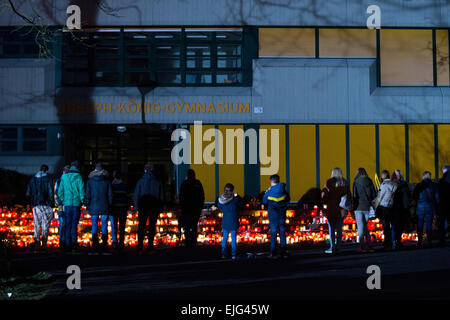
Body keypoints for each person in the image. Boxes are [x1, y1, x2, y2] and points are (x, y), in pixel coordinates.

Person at [134, 163, 164, 254]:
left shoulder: (140, 181)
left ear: (145, 170)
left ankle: (140, 246)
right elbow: (161, 196)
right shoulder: (157, 182)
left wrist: (136, 207)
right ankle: (150, 246)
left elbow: (136, 195)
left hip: (143, 204)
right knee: (152, 227)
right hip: (154, 205)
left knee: (141, 226)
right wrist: (160, 207)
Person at [321, 168, 351, 254]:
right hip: (342, 210)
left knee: (331, 228)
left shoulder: (329, 182)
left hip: (331, 209)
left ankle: (332, 246)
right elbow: (349, 196)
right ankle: (338, 246)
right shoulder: (345, 182)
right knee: (339, 228)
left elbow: (324, 196)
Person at [57, 161, 85, 253]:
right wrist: (82, 201)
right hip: (76, 205)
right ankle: (74, 245)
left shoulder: (64, 177)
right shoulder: (79, 177)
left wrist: (64, 199)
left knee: (67, 225)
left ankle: (67, 245)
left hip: (67, 204)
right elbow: (81, 191)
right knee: (74, 225)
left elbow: (60, 191)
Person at [86, 163, 113, 254]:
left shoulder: (90, 181)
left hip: (93, 206)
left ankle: (95, 246)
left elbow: (88, 195)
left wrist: (87, 205)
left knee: (94, 226)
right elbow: (110, 195)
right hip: (104, 206)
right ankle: (104, 246)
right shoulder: (107, 181)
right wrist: (109, 205)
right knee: (104, 226)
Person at [26, 164, 54, 252]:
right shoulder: (49, 179)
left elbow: (28, 193)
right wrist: (52, 203)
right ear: (47, 171)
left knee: (37, 225)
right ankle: (44, 244)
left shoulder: (33, 179)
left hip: (36, 204)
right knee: (45, 225)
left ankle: (37, 244)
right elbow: (50, 191)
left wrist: (31, 202)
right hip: (46, 204)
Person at [262, 174, 290, 258]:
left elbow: (264, 201)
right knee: (282, 232)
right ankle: (283, 252)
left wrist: (267, 192)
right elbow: (288, 199)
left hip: (273, 216)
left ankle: (273, 252)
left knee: (273, 233)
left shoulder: (269, 192)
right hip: (282, 215)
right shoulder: (284, 191)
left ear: (271, 182)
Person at [213, 183, 242, 260]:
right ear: (232, 191)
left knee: (225, 237)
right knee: (233, 238)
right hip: (233, 221)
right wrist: (237, 195)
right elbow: (241, 203)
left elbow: (218, 206)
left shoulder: (221, 200)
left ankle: (223, 252)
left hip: (225, 221)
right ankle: (233, 253)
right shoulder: (235, 199)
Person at [178, 169, 204, 248]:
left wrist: (181, 207)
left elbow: (181, 196)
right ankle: (193, 242)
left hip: (186, 209)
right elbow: (201, 196)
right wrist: (200, 206)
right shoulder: (197, 183)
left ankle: (188, 242)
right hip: (195, 209)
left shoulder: (184, 184)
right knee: (194, 226)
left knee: (187, 226)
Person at [353, 168, 377, 252]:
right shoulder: (369, 181)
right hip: (367, 206)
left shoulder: (356, 182)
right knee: (365, 227)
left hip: (358, 207)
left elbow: (355, 195)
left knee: (360, 227)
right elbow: (374, 194)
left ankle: (362, 246)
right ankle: (370, 245)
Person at [413, 171, 439, 247]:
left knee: (420, 224)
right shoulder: (434, 185)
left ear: (423, 176)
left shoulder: (419, 185)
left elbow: (414, 196)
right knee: (429, 224)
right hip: (430, 206)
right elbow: (437, 197)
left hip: (420, 206)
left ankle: (419, 241)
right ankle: (429, 241)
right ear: (430, 176)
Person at [375, 170, 399, 250]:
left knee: (386, 226)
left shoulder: (383, 185)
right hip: (392, 206)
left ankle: (387, 243)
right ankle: (394, 242)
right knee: (392, 225)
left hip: (384, 207)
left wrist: (375, 206)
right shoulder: (394, 184)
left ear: (383, 176)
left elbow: (379, 197)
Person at [111, 170, 130, 251]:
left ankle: (115, 242)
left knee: (114, 227)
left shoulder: (111, 186)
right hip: (123, 209)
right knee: (122, 227)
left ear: (114, 176)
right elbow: (128, 197)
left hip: (114, 209)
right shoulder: (125, 186)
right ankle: (121, 243)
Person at [390, 169, 410, 249]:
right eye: (397, 175)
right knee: (395, 225)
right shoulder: (395, 183)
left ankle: (398, 241)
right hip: (396, 206)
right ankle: (394, 241)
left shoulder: (403, 183)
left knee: (400, 225)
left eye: (399, 175)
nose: (399, 176)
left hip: (401, 206)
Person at [54, 165, 70, 250]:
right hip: (67, 205)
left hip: (61, 206)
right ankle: (65, 242)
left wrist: (59, 204)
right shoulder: (64, 181)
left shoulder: (59, 181)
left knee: (62, 224)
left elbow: (56, 195)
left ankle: (62, 241)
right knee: (66, 224)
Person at [438, 165, 450, 246]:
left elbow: (438, 194)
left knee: (442, 223)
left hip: (443, 204)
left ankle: (442, 240)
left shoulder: (441, 181)